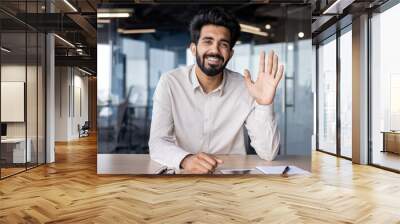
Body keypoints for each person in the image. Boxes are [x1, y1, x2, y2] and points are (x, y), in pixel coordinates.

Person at [149, 7, 284, 174]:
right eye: (208, 41)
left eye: (223, 44)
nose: (215, 50)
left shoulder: (245, 87)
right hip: (185, 177)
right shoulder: (170, 83)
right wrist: (185, 160)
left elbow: (269, 154)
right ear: (193, 48)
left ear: (230, 54)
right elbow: (157, 142)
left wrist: (264, 104)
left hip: (231, 183)